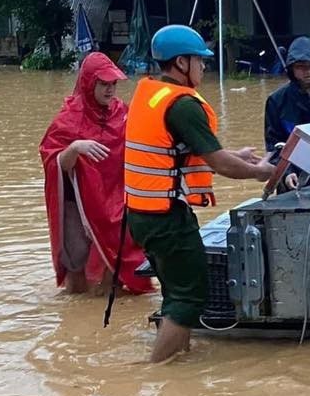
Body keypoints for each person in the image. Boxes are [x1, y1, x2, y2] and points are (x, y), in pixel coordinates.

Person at [125, 25, 276, 363]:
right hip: (167, 218)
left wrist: (237, 155)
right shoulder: (183, 105)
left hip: (141, 213)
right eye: (200, 60)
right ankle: (156, 370)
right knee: (190, 298)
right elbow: (219, 164)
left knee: (174, 293)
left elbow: (177, 153)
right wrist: (260, 171)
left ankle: (180, 361)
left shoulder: (151, 94)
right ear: (181, 62)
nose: (205, 67)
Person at [40, 52, 153, 296]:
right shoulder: (68, 120)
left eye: (113, 84)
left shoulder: (123, 113)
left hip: (114, 200)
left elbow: (148, 143)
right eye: (104, 83)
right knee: (76, 267)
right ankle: (78, 316)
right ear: (89, 83)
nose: (110, 90)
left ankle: (106, 309)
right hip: (77, 204)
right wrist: (75, 147)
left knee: (120, 258)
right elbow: (54, 162)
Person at [264, 35, 310, 152]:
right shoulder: (276, 100)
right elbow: (273, 144)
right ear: (291, 68)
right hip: (292, 162)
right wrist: (288, 170)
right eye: (301, 66)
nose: (308, 71)